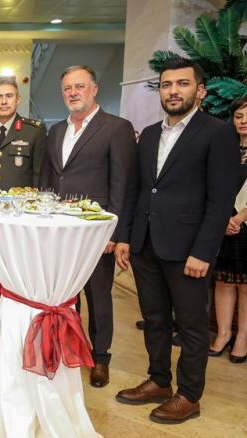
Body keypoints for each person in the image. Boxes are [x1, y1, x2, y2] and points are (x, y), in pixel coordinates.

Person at [114, 58, 240, 424]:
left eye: (182, 84)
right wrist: (125, 238)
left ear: (200, 90)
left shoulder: (217, 133)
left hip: (189, 250)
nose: (173, 91)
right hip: (146, 244)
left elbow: (221, 200)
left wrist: (203, 251)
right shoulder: (150, 134)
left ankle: (189, 395)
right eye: (167, 84)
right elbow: (138, 189)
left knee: (190, 326)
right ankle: (158, 380)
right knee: (154, 319)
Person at [39, 64, 136, 388]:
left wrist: (114, 232)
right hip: (59, 230)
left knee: (98, 297)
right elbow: (49, 179)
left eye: (79, 86)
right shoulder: (56, 130)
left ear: (94, 89)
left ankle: (100, 357)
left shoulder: (116, 128)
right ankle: (71, 348)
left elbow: (122, 184)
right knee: (65, 293)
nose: (73, 93)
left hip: (96, 232)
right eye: (67, 88)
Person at [208, 96, 247, 363]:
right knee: (223, 281)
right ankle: (223, 334)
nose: (243, 121)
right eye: (239, 116)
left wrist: (240, 217)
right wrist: (224, 219)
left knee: (245, 286)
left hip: (245, 225)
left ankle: (242, 338)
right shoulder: (225, 148)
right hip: (223, 224)